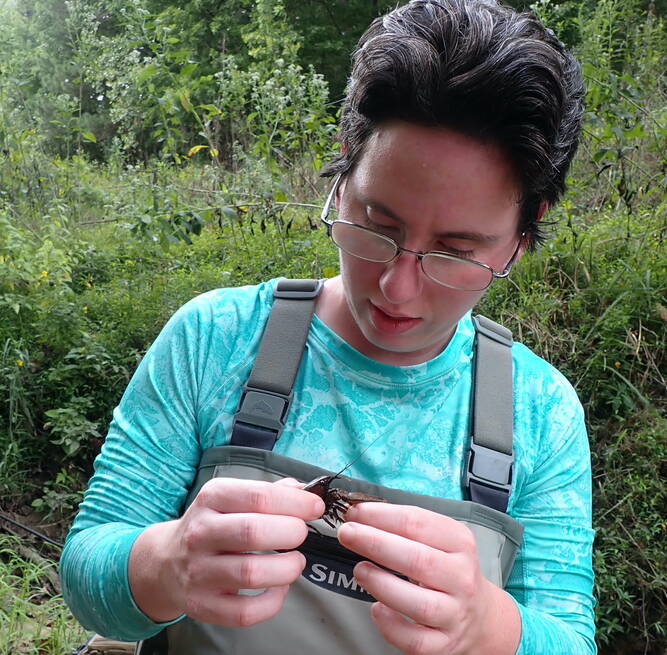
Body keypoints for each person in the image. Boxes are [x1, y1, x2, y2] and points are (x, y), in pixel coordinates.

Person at [61, 0, 596, 653]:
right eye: (376, 224)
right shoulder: (215, 336)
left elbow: (571, 636)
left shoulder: (539, 411)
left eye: (455, 252)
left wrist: (489, 626)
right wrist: (166, 562)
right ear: (342, 171)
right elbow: (87, 569)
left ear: (520, 235)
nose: (399, 287)